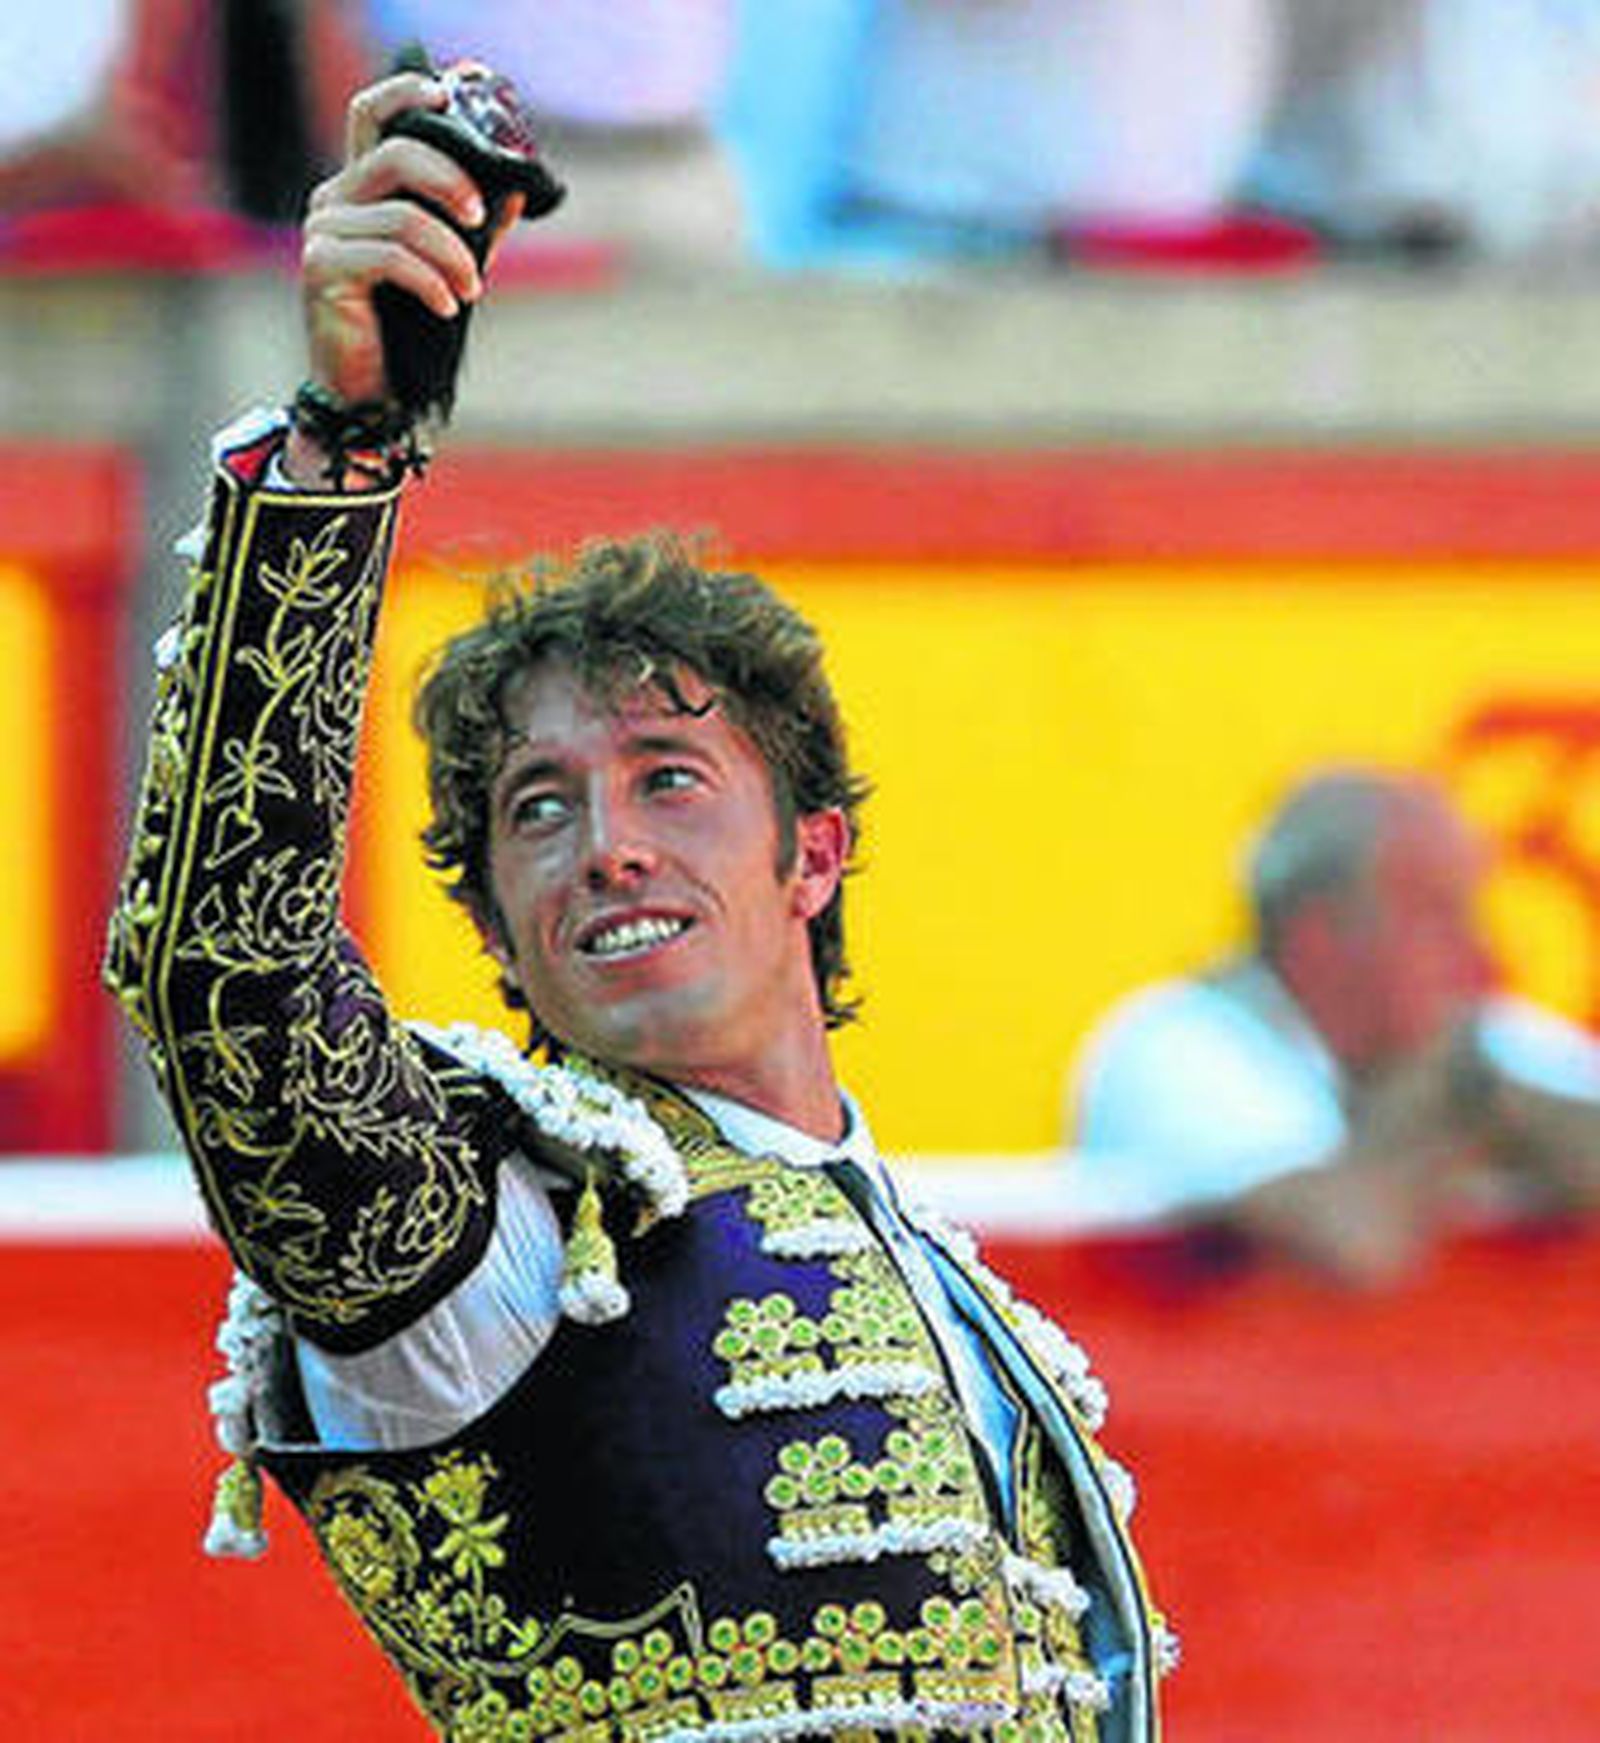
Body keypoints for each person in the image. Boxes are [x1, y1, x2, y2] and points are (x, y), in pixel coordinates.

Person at [103, 66, 1173, 1741]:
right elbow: (226, 971)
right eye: (539, 809)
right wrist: (341, 451)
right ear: (499, 926)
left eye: (669, 777)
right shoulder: (499, 1238)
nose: (605, 844)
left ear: (810, 856)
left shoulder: (954, 1293)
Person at [1072, 766, 1600, 1283]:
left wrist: (1493, 1104)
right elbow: (1351, 1243)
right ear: (1320, 936)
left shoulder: (1477, 1039)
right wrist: (1468, 1109)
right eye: (1437, 917)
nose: (1481, 955)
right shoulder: (1173, 1047)